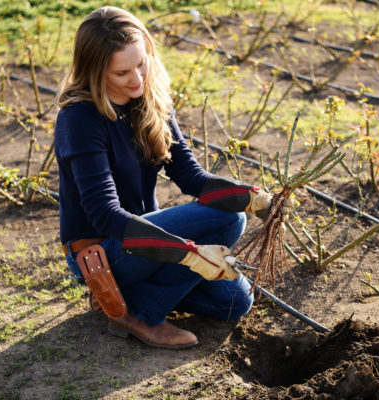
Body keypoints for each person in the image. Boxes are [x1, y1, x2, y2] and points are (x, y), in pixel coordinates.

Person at [54, 6, 279, 349]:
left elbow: (191, 177)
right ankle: (141, 313)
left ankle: (120, 298)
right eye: (122, 72)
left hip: (143, 240)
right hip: (103, 250)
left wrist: (254, 197)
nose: (137, 79)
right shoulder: (80, 118)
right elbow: (105, 215)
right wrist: (188, 254)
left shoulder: (150, 99)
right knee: (229, 222)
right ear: (96, 71)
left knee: (235, 302)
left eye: (141, 63)